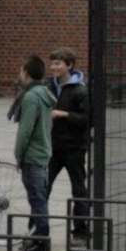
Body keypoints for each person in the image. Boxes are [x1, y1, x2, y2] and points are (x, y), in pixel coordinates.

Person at [46, 46, 92, 241]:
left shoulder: (80, 91)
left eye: (58, 63)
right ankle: (37, 228)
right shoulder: (48, 87)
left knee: (78, 188)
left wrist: (63, 114)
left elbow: (87, 119)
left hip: (74, 147)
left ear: (69, 65)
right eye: (53, 63)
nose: (54, 67)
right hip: (52, 147)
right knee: (42, 187)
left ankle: (80, 231)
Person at [12, 55, 55, 251]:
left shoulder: (31, 97)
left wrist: (18, 153)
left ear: (26, 73)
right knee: (39, 197)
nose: (19, 74)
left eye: (21, 71)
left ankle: (41, 241)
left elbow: (25, 130)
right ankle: (39, 236)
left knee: (37, 199)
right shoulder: (44, 93)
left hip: (33, 155)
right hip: (44, 151)